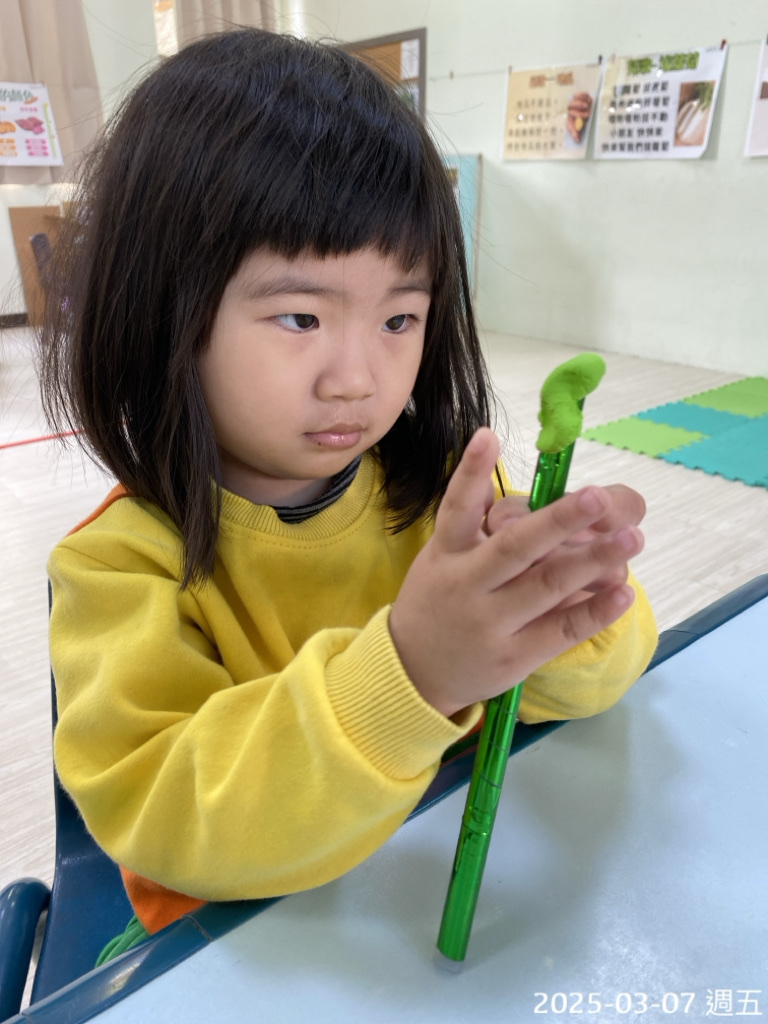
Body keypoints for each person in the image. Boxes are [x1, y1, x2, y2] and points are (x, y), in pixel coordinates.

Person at [40, 29, 657, 959]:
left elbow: (606, 680)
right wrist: (412, 674)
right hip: (237, 942)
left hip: (423, 900)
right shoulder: (118, 567)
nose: (359, 380)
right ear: (159, 308)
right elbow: (163, 815)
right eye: (301, 316)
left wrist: (570, 610)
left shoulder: (442, 489)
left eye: (400, 317)